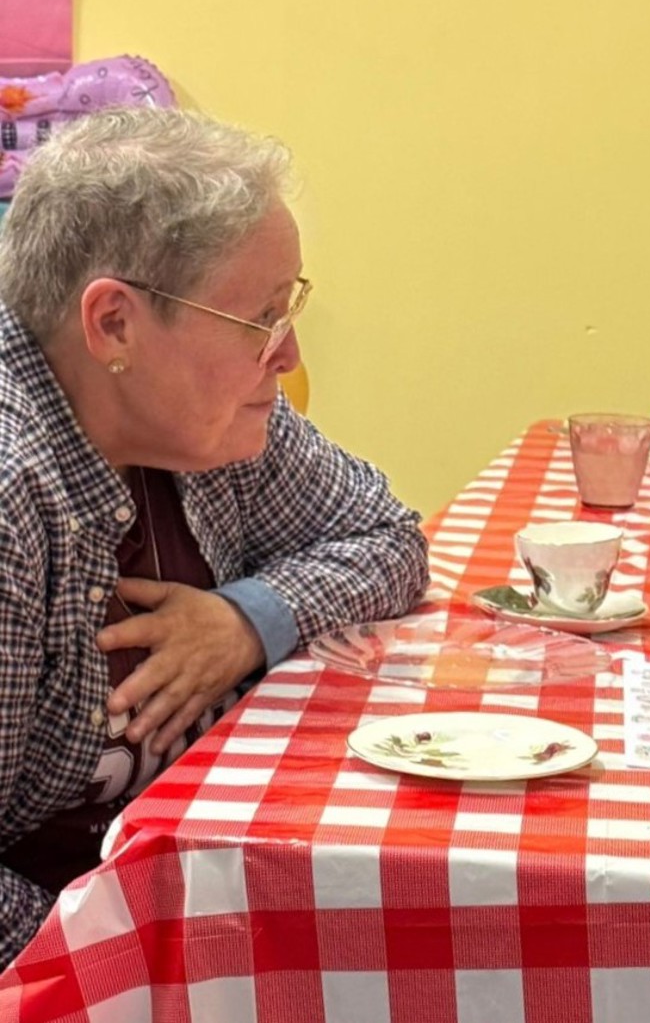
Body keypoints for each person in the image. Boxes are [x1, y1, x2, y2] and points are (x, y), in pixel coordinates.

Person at [0, 107, 429, 966]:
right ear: (114, 324)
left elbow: (388, 537)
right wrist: (132, 968)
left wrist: (245, 620)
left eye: (291, 305)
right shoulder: (15, 494)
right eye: (260, 315)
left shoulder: (204, 426)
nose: (288, 351)